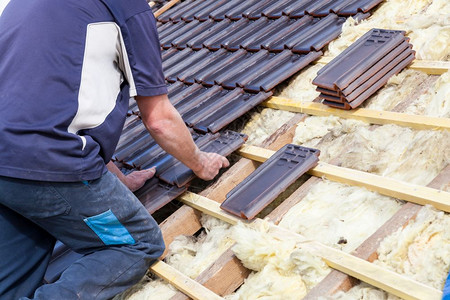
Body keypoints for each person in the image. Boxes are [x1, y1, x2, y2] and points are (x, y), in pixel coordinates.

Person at [0, 0, 229, 299]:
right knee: (137, 244)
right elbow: (159, 119)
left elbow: (42, 105)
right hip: (46, 159)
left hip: (9, 167)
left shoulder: (25, 5)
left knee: (14, 278)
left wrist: (117, 180)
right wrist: (200, 163)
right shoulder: (128, 8)